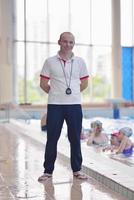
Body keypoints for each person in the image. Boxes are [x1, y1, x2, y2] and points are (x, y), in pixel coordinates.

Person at [38, 32, 89, 181]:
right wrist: (56, 94)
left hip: (74, 105)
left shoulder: (80, 62)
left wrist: (72, 94)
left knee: (75, 139)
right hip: (55, 106)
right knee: (52, 138)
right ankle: (48, 171)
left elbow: (84, 83)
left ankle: (77, 170)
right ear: (59, 42)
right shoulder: (50, 62)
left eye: (71, 42)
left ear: (74, 44)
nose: (68, 44)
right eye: (65, 41)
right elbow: (43, 84)